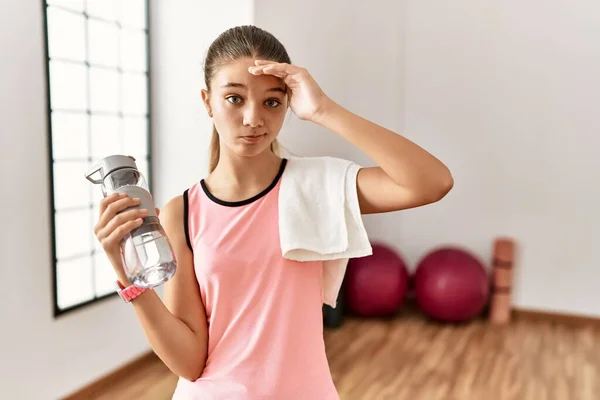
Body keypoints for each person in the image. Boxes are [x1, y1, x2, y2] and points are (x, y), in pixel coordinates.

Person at [94, 25, 453, 399]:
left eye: (272, 101)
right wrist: (127, 274)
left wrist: (323, 110)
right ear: (207, 101)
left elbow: (431, 182)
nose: (253, 118)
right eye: (234, 99)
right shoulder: (181, 212)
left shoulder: (318, 186)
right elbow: (190, 362)